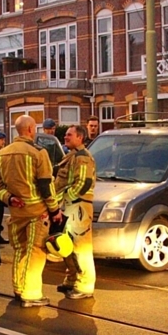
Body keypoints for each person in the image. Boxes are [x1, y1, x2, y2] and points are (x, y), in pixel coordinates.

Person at [0, 115, 63, 307]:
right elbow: (46, 185)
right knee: (36, 253)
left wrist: (9, 198)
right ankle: (31, 294)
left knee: (20, 252)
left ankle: (19, 289)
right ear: (31, 130)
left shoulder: (1, 154)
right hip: (37, 211)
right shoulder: (39, 153)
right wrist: (54, 209)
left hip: (15, 212)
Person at [54, 124, 96, 299]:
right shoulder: (72, 156)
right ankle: (72, 279)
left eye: (69, 135)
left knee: (81, 248)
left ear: (80, 137)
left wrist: (65, 198)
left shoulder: (82, 158)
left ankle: (85, 286)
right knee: (68, 246)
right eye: (65, 135)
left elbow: (83, 183)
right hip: (71, 207)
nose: (65, 137)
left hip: (78, 207)